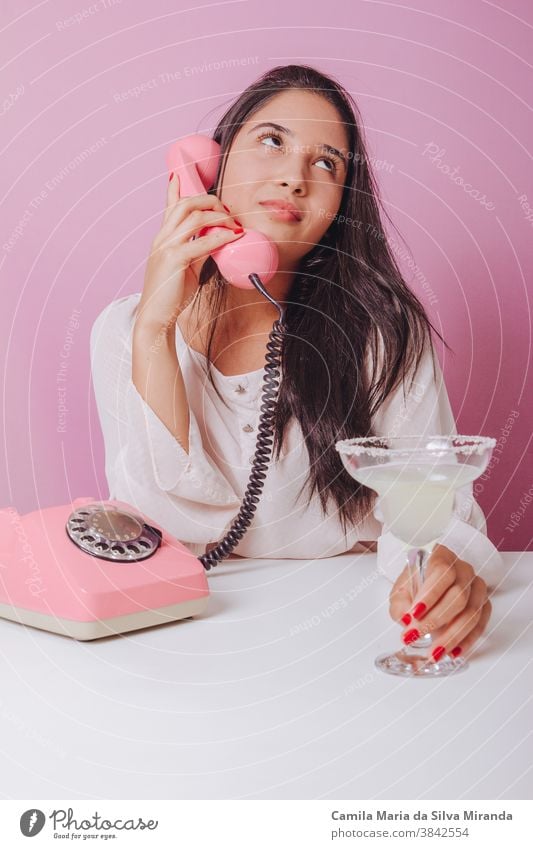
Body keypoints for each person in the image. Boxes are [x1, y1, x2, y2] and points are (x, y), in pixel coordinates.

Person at [90, 64, 503, 663]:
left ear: (340, 205)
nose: (293, 178)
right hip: (186, 645)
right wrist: (154, 332)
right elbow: (162, 524)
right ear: (210, 165)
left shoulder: (382, 334)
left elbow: (433, 513)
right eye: (271, 141)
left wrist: (443, 567)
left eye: (326, 162)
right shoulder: (125, 331)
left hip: (351, 632)